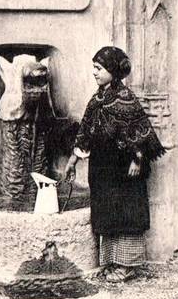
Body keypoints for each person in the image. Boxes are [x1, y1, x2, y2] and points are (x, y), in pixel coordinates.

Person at [64, 47, 165, 283]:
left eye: (99, 69)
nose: (95, 73)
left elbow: (139, 131)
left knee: (125, 213)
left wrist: (137, 159)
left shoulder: (126, 99)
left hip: (124, 168)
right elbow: (85, 131)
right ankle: (111, 262)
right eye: (94, 68)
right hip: (102, 166)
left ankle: (127, 266)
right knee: (108, 212)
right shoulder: (98, 98)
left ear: (112, 70)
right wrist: (73, 159)